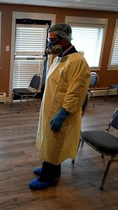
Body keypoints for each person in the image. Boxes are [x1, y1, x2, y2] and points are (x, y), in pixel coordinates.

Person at [28, 23, 91, 190]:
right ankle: (53, 169)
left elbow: (75, 92)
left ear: (64, 40)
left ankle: (47, 177)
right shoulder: (59, 58)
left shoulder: (77, 62)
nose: (50, 43)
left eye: (52, 40)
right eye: (49, 39)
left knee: (54, 142)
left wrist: (63, 113)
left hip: (61, 112)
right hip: (50, 109)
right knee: (50, 142)